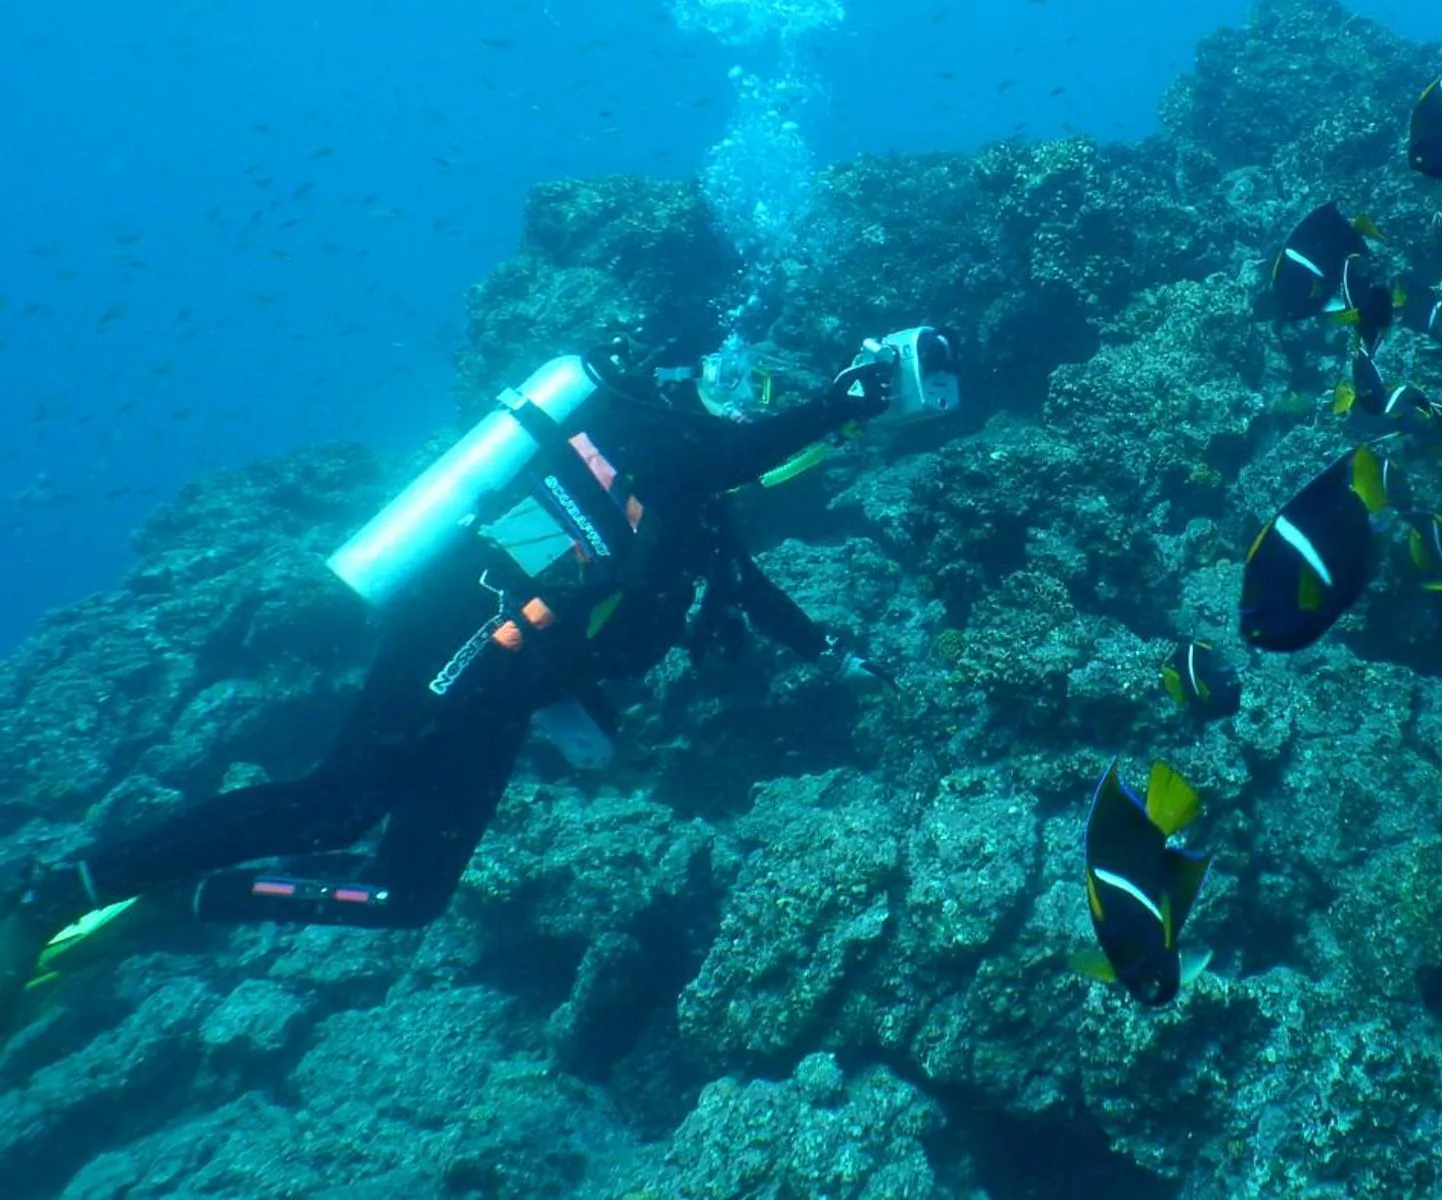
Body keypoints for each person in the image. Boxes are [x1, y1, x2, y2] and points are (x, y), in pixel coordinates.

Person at [0, 326, 958, 1029]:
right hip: (460, 634)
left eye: (756, 384)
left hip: (508, 688)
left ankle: (177, 902)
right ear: (688, 376)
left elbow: (745, 583)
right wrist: (850, 397)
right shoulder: (644, 434)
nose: (747, 396)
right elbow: (737, 452)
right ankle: (61, 887)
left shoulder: (694, 504)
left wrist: (834, 651)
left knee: (405, 895)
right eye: (734, 377)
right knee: (333, 806)